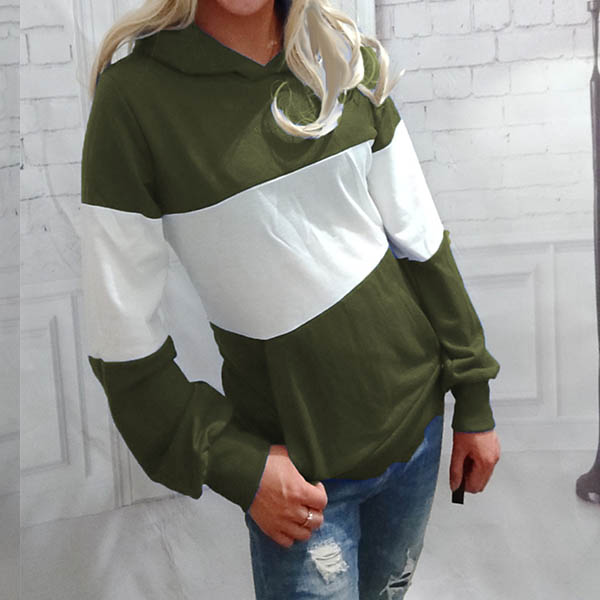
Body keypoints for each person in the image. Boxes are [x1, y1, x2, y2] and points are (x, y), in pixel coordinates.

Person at [80, 0, 502, 597]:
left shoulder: (342, 59)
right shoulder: (135, 100)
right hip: (300, 477)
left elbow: (423, 244)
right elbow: (121, 344)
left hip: (418, 427)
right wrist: (238, 464)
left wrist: (474, 395)